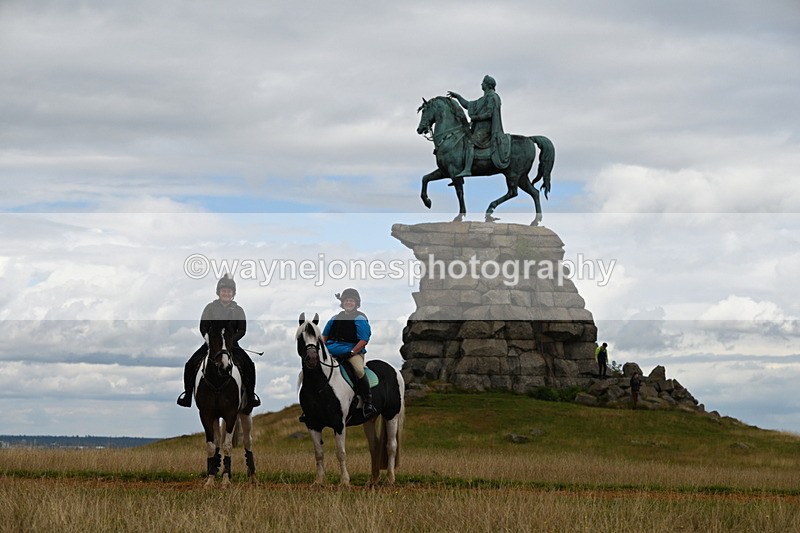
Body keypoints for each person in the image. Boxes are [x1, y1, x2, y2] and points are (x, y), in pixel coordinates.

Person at [177, 274, 260, 410]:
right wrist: (209, 340)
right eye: (223, 291)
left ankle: (250, 396)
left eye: (229, 291)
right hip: (212, 344)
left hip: (232, 344)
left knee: (249, 365)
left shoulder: (238, 310)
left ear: (233, 293)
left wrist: (230, 341)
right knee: (190, 364)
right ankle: (187, 395)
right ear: (218, 292)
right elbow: (203, 327)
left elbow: (242, 330)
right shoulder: (210, 308)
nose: (226, 293)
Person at [321, 288, 377, 418]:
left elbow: (363, 340)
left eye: (351, 301)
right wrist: (323, 351)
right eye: (346, 300)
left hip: (352, 353)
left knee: (358, 370)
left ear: (356, 303)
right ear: (342, 302)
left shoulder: (360, 318)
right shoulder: (334, 318)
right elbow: (324, 336)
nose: (349, 303)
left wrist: (351, 353)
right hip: (331, 352)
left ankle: (368, 402)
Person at [447, 74, 510, 177]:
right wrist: (458, 96)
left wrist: (476, 118)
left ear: (487, 85)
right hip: (478, 129)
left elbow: (489, 114)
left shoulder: (492, 97)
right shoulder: (484, 98)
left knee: (470, 142)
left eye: (483, 83)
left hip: (486, 130)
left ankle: (467, 169)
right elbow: (468, 105)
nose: (481, 84)